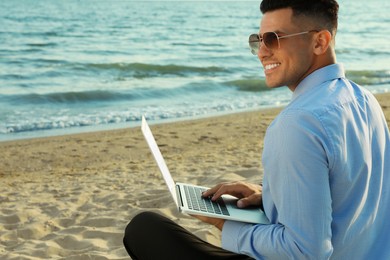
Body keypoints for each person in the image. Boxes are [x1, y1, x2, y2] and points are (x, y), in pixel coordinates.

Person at [123, 0, 390, 259]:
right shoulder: (365, 100)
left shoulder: (297, 123)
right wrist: (270, 196)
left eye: (273, 38)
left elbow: (305, 252)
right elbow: (350, 190)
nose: (262, 52)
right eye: (257, 40)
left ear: (319, 41)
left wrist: (225, 225)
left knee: (144, 228)